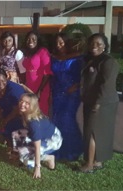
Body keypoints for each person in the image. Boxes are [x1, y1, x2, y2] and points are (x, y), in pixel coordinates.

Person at [79, 33, 120, 173]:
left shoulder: (108, 61)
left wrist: (98, 103)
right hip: (92, 100)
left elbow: (106, 84)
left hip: (103, 102)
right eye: (92, 44)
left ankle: (89, 165)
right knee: (95, 132)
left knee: (93, 132)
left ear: (105, 46)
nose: (94, 46)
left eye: (98, 44)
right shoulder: (92, 60)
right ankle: (97, 161)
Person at [50, 33, 84, 161]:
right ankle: (58, 150)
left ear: (67, 43)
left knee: (68, 120)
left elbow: (83, 76)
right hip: (57, 92)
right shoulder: (54, 57)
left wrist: (76, 86)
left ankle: (73, 150)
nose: (59, 45)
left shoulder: (78, 58)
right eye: (57, 43)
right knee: (57, 120)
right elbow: (51, 76)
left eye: (61, 42)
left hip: (71, 93)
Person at [12, 93, 62, 179]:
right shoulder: (28, 113)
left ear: (32, 106)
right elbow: (33, 96)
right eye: (21, 101)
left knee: (29, 151)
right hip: (45, 135)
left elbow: (37, 148)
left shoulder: (34, 123)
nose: (22, 104)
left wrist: (37, 168)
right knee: (16, 134)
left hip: (54, 139)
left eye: (27, 103)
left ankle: (49, 158)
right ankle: (21, 157)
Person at [0, 69, 25, 147]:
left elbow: (17, 109)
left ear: (7, 78)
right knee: (6, 128)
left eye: (3, 80)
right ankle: (10, 145)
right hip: (8, 112)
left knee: (16, 126)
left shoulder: (14, 90)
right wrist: (1, 119)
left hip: (22, 114)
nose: (1, 84)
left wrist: (5, 121)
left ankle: (20, 146)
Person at [22, 31, 52, 116]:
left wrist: (39, 90)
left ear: (38, 40)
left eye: (33, 39)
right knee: (30, 114)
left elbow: (47, 73)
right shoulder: (28, 53)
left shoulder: (43, 51)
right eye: (28, 39)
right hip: (29, 87)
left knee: (40, 113)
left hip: (40, 88)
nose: (30, 41)